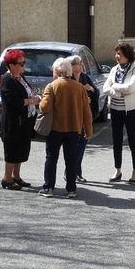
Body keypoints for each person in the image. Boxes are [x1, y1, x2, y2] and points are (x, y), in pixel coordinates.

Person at [38, 57, 93, 198]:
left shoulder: (52, 86)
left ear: (57, 71)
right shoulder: (79, 87)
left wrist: (40, 100)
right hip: (74, 129)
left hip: (55, 128)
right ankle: (71, 189)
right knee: (71, 159)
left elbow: (44, 107)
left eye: (53, 71)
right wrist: (89, 130)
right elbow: (86, 111)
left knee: (51, 158)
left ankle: (49, 187)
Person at [0, 48, 41, 190]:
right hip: (13, 123)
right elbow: (14, 102)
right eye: (21, 63)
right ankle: (7, 178)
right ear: (11, 65)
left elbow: (27, 93)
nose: (24, 65)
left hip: (24, 121)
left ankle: (16, 176)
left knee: (21, 150)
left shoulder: (20, 78)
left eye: (24, 63)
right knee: (12, 150)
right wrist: (32, 100)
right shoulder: (7, 79)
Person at [103, 42, 135, 184]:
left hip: (131, 110)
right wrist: (119, 93)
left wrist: (115, 87)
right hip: (115, 110)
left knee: (133, 140)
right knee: (117, 141)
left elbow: (131, 87)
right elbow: (105, 88)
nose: (116, 56)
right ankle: (118, 170)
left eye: (119, 54)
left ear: (127, 55)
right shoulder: (115, 69)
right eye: (116, 53)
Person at [69, 54, 98, 183]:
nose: (80, 65)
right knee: (74, 146)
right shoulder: (68, 79)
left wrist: (91, 89)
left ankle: (77, 172)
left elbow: (96, 92)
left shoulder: (85, 77)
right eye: (77, 62)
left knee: (82, 145)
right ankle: (71, 171)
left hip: (85, 116)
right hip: (73, 116)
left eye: (81, 62)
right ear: (71, 66)